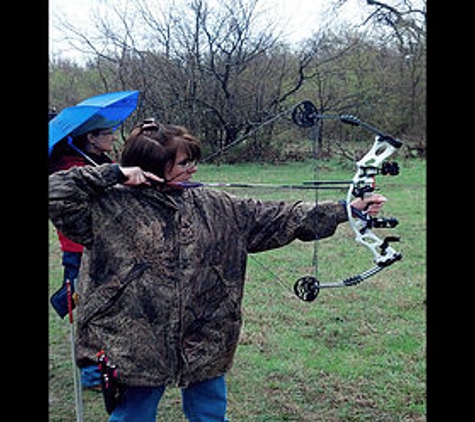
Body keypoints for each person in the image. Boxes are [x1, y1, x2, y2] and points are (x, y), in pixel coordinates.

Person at [48, 120, 387, 421]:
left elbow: (279, 217)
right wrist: (114, 173)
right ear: (152, 166)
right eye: (183, 162)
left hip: (205, 334)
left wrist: (347, 210)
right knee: (134, 413)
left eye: (193, 160)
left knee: (209, 412)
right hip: (133, 342)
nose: (193, 169)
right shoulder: (107, 205)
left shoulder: (214, 205)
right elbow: (56, 191)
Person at [49, 118, 119, 390]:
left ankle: (66, 298)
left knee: (103, 305)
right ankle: (91, 375)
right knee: (87, 310)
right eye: (107, 133)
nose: (113, 137)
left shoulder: (94, 160)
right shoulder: (70, 167)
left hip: (104, 245)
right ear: (91, 137)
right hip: (79, 249)